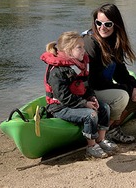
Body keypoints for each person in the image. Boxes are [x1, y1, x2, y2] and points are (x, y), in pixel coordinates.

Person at [40, 31, 118, 159]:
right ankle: (91, 147)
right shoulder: (57, 72)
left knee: (105, 108)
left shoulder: (79, 66)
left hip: (76, 103)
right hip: (60, 107)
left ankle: (101, 140)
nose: (84, 50)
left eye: (83, 47)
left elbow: (86, 86)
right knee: (90, 115)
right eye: (79, 47)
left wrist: (91, 97)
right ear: (68, 51)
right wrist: (84, 104)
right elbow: (63, 97)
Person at [83, 3, 136, 144]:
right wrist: (126, 89)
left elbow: (120, 73)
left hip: (99, 87)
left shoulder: (114, 42)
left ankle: (112, 128)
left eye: (108, 24)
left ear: (116, 24)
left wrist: (134, 86)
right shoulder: (90, 42)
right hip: (87, 91)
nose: (102, 27)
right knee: (122, 96)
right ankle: (102, 132)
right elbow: (94, 80)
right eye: (99, 23)